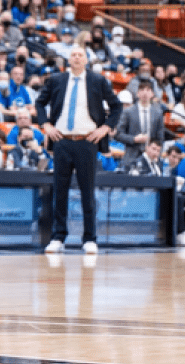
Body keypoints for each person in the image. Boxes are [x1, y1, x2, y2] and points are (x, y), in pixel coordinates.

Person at [36, 45, 122, 255]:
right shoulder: (56, 80)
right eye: (73, 54)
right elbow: (39, 103)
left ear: (86, 60)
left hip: (87, 142)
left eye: (80, 55)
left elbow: (116, 106)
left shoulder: (97, 80)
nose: (76, 57)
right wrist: (45, 125)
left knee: (87, 191)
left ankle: (90, 238)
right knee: (60, 190)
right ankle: (58, 237)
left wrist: (104, 129)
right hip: (62, 141)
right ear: (68, 59)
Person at [115, 81, 165, 170]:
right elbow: (118, 134)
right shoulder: (128, 112)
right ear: (138, 93)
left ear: (152, 94)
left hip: (151, 157)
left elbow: (160, 137)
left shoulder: (158, 113)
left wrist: (158, 153)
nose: (145, 92)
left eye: (148, 90)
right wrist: (134, 139)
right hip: (131, 157)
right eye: (142, 90)